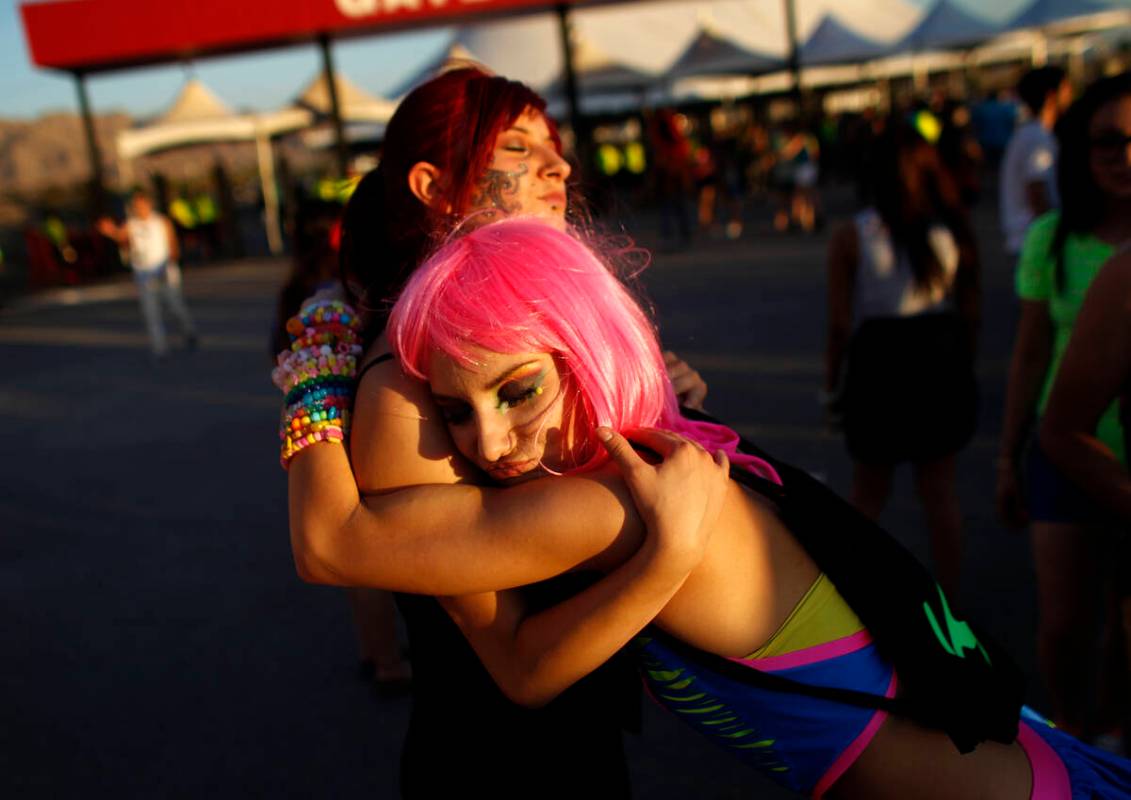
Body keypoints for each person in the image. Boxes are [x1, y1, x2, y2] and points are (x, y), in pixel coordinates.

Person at [345, 216, 1128, 798]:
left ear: (584, 350)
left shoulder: (604, 504)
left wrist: (312, 375)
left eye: (519, 391)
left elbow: (336, 544)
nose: (489, 441)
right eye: (452, 410)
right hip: (1025, 763)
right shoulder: (662, 452)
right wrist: (666, 559)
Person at [281, 66, 707, 798]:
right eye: (517, 147)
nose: (558, 166)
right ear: (432, 188)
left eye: (553, 144)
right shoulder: (408, 377)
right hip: (499, 767)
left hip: (579, 743)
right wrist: (668, 550)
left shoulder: (508, 325)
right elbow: (512, 661)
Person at [996, 72, 1131, 742]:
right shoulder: (1052, 238)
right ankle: (1071, 732)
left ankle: (1108, 726)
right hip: (1064, 454)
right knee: (1064, 621)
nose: (1124, 156)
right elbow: (1027, 355)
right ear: (1078, 149)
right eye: (1107, 141)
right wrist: (1005, 456)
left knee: (1124, 619)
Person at [825, 124, 980, 599]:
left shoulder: (853, 234)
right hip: (939, 355)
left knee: (869, 491)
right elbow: (972, 310)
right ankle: (952, 601)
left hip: (880, 363)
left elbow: (839, 325)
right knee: (940, 492)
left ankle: (850, 593)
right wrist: (963, 365)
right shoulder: (952, 227)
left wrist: (834, 383)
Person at [98, 190, 197, 359]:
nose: (140, 209)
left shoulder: (161, 222)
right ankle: (160, 348)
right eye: (137, 206)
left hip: (164, 272)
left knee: (175, 307)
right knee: (151, 312)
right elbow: (121, 236)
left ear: (149, 204)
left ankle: (188, 330)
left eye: (142, 205)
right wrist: (111, 231)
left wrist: (169, 265)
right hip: (144, 275)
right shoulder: (132, 224)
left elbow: (173, 246)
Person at [999, 66, 1073, 256]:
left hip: (1029, 238)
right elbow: (1037, 191)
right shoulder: (1036, 137)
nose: (1070, 94)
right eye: (1066, 88)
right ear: (1051, 95)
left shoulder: (1029, 133)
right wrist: (1054, 237)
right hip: (1036, 241)